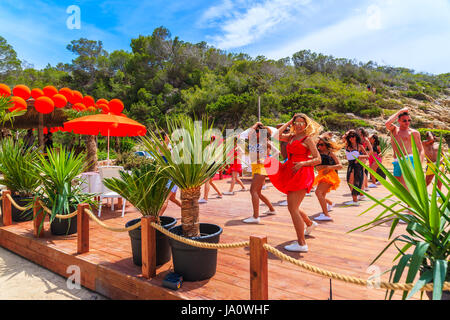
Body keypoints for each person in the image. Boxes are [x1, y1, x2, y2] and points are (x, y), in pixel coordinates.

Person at [264, 114, 322, 252]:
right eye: (297, 122)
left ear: (306, 125)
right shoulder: (290, 136)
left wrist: (303, 163)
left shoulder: (307, 139)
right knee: (293, 205)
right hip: (290, 170)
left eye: (302, 123)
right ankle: (309, 223)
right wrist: (290, 121)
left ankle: (302, 244)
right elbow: (275, 136)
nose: (299, 125)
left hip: (302, 172)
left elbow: (318, 159)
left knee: (292, 208)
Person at [242, 122, 277, 223]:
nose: (255, 132)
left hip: (261, 168)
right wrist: (256, 124)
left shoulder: (264, 141)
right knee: (258, 192)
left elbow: (275, 152)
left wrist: (265, 159)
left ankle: (256, 217)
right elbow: (248, 134)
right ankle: (272, 209)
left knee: (253, 191)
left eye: (257, 131)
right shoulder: (254, 140)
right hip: (257, 167)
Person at [384, 107, 424, 189]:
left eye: (409, 120)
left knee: (405, 185)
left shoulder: (414, 133)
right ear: (399, 121)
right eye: (404, 120)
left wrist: (419, 164)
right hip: (396, 161)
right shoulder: (394, 130)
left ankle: (410, 202)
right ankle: (411, 201)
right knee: (400, 187)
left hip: (408, 160)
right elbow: (387, 123)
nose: (407, 122)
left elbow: (421, 149)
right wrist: (400, 111)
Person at [313, 135, 343, 221]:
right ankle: (330, 203)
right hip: (321, 175)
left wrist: (328, 167)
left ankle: (326, 215)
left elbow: (340, 166)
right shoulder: (317, 153)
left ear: (326, 145)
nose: (320, 146)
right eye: (318, 145)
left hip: (329, 175)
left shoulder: (330, 153)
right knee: (321, 194)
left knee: (318, 192)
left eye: (322, 144)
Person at [344, 130, 369, 206]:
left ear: (356, 137)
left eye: (353, 136)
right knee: (349, 181)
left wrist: (359, 157)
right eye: (350, 136)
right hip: (350, 165)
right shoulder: (347, 146)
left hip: (357, 165)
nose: (351, 138)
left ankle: (355, 199)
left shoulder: (359, 146)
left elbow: (367, 155)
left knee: (355, 182)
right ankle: (355, 198)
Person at [199, 136, 223, 203]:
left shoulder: (208, 147)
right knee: (210, 182)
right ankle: (220, 194)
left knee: (207, 181)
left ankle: (205, 198)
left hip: (209, 164)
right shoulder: (214, 146)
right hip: (213, 164)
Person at [357, 127, 372, 193]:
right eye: (358, 131)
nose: (358, 132)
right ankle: (365, 186)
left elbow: (371, 149)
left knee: (361, 171)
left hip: (362, 156)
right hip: (357, 155)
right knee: (362, 171)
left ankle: (363, 187)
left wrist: (366, 155)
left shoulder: (365, 140)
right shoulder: (357, 139)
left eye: (360, 131)